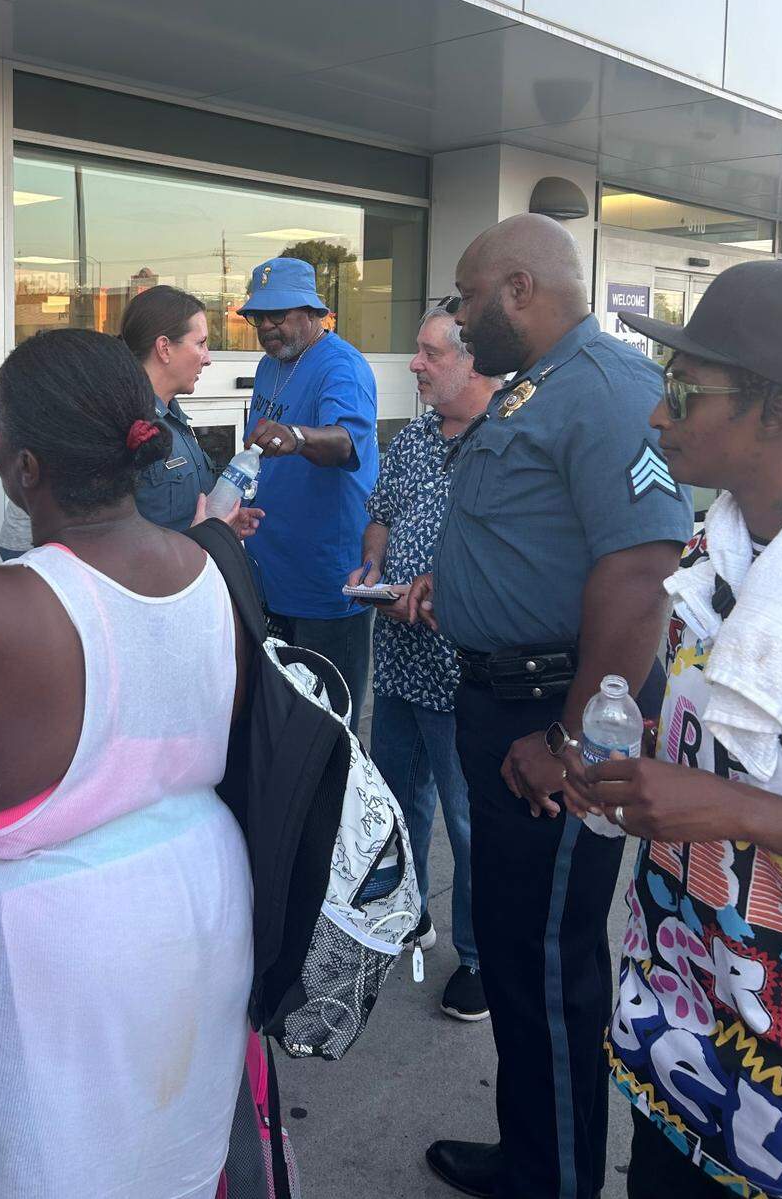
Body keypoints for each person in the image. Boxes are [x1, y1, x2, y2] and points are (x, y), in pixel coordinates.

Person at [0, 328, 254, 1199]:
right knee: (162, 1155)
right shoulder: (213, 568)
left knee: (30, 1163)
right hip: (199, 911)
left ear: (26, 468)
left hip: (44, 961)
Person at [402, 214, 693, 1199]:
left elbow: (643, 569)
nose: (456, 314)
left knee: (552, 968)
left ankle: (557, 1179)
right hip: (502, 701)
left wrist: (570, 738)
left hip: (555, 713)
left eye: (466, 296)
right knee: (519, 958)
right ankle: (532, 1154)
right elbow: (535, 534)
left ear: (518, 289)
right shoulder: (541, 384)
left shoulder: (606, 386)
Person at [564, 259, 782, 1199]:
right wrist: (634, 759)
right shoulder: (715, 548)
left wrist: (729, 805)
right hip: (681, 1014)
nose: (658, 416)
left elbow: (734, 793)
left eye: (683, 391)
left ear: (780, 408)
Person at [348, 305, 500, 1022]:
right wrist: (374, 563)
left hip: (462, 669)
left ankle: (478, 957)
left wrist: (446, 591)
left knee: (468, 821)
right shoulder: (413, 436)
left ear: (474, 363)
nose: (414, 363)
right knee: (396, 798)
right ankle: (409, 914)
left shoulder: (508, 438)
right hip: (400, 659)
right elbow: (381, 509)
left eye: (429, 352)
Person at [241, 256, 379, 734]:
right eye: (258, 317)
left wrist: (298, 437)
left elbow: (344, 443)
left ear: (312, 312)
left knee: (327, 728)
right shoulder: (268, 365)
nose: (267, 327)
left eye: (277, 316)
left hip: (325, 582)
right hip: (270, 575)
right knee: (281, 720)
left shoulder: (341, 366)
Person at [120, 283, 262, 539]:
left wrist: (221, 527)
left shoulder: (174, 420)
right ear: (164, 348)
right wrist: (198, 539)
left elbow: (182, 516)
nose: (207, 358)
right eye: (201, 343)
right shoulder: (124, 425)